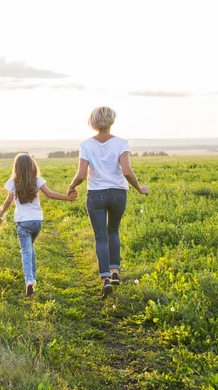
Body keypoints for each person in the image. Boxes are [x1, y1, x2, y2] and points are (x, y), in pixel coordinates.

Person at [67, 106, 149, 298]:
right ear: (112, 121)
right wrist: (139, 188)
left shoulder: (86, 145)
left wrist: (71, 187)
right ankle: (115, 272)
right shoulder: (121, 143)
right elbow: (127, 171)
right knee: (113, 231)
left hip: (96, 194)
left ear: (93, 122)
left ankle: (105, 279)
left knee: (101, 237)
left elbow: (81, 175)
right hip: (118, 193)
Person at [0, 153, 77, 296]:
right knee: (30, 248)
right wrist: (67, 198)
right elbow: (50, 194)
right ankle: (33, 279)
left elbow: (9, 200)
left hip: (22, 222)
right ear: (32, 166)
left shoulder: (12, 182)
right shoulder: (37, 180)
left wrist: (1, 212)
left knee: (26, 251)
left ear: (16, 167)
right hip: (37, 221)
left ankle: (29, 281)